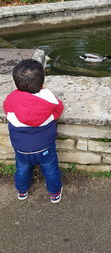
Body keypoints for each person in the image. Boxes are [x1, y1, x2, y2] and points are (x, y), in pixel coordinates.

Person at [3, 59, 64, 203]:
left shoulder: (11, 99)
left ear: (17, 83)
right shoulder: (48, 99)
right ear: (42, 83)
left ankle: (22, 191)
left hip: (22, 149)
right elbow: (58, 108)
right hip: (45, 147)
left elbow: (6, 107)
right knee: (50, 170)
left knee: (22, 170)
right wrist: (45, 90)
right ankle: (54, 193)